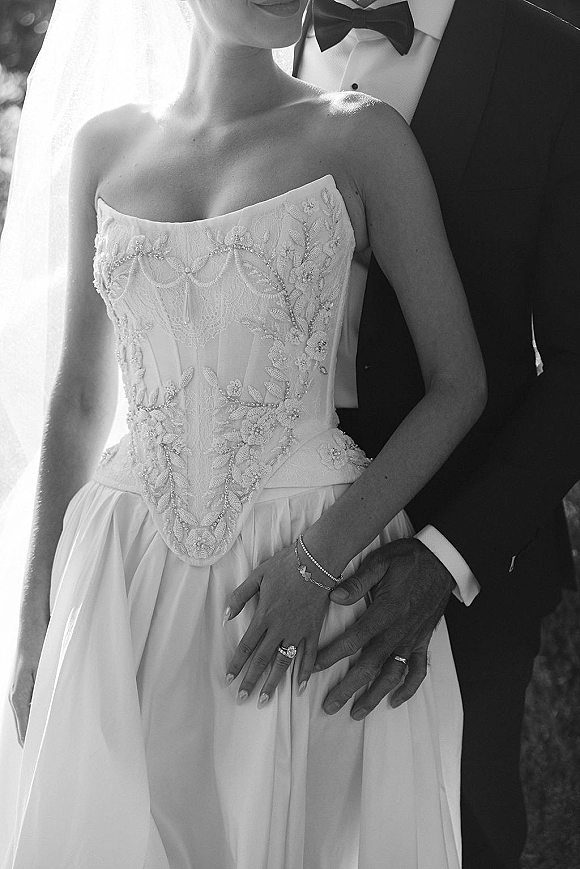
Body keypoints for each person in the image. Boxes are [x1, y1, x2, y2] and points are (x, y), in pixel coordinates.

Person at [0, 0, 488, 867]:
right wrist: (35, 611)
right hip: (122, 583)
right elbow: (79, 397)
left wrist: (318, 561)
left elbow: (460, 384)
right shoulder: (102, 147)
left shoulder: (361, 138)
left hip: (300, 574)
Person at [293, 1, 580, 867]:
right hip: (249, 563)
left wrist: (446, 559)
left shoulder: (552, 67)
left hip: (452, 567)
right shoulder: (248, 25)